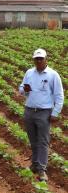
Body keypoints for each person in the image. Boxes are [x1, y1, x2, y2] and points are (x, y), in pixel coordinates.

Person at [19, 48, 64, 181]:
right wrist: (23, 89)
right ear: (33, 60)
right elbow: (21, 89)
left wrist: (55, 112)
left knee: (43, 142)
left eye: (41, 58)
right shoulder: (29, 73)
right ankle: (34, 164)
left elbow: (59, 95)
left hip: (44, 112)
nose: (38, 61)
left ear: (45, 59)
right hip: (29, 110)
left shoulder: (53, 75)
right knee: (33, 140)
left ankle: (42, 169)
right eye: (36, 59)